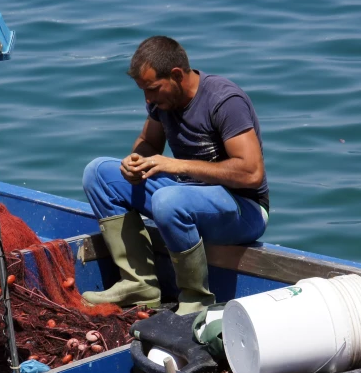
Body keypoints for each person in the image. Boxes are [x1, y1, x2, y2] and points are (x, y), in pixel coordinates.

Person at [81, 36, 269, 315]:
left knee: (167, 200)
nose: (148, 99)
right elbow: (148, 142)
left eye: (153, 89)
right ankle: (139, 283)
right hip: (186, 196)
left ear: (177, 75)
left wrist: (178, 165)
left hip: (243, 209)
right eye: (143, 91)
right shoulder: (162, 103)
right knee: (98, 173)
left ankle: (195, 299)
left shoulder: (225, 101)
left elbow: (251, 173)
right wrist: (136, 162)